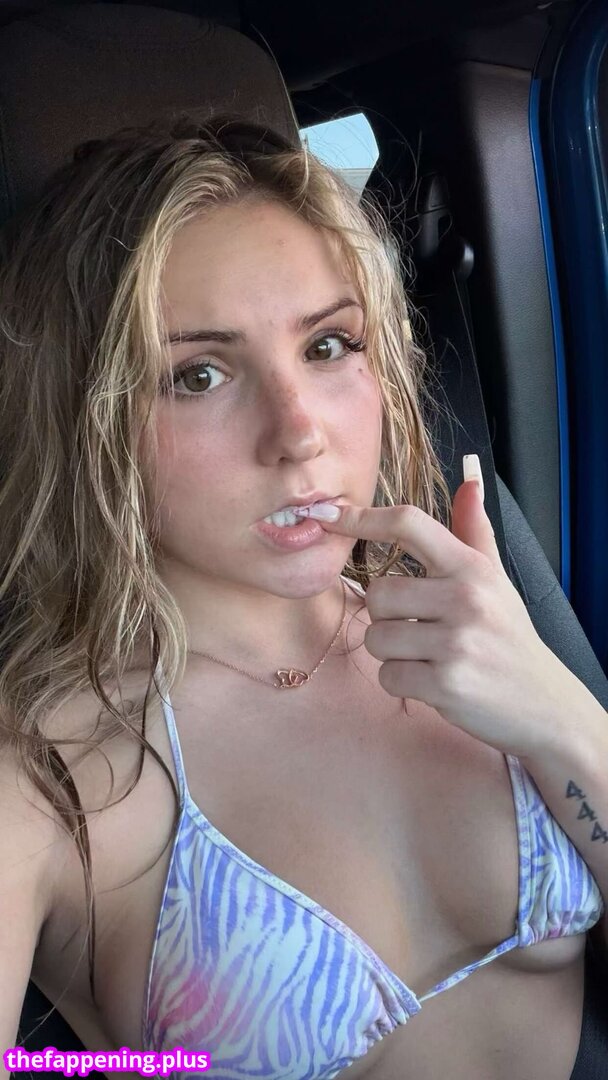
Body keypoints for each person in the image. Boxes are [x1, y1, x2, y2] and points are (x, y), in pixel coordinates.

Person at [0, 112, 605, 1080]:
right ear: (88, 422)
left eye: (327, 346)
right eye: (198, 374)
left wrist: (558, 715)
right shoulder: (45, 777)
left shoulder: (476, 622)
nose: (298, 433)